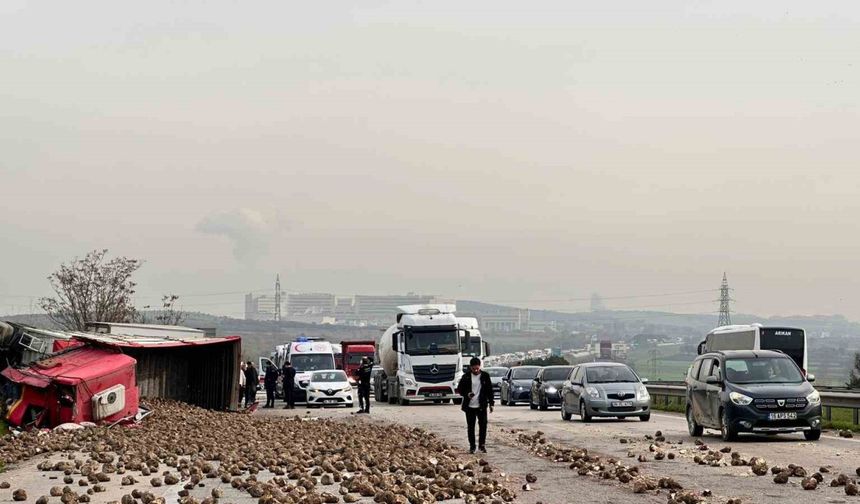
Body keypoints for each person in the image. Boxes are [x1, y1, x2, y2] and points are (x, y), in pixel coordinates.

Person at [456, 357, 494, 454]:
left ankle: (482, 445)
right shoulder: (466, 377)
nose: (476, 371)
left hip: (481, 405)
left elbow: (490, 390)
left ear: (479, 367)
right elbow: (460, 389)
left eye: (477, 368)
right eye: (474, 369)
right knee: (471, 427)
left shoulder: (485, 376)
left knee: (483, 426)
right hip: (469, 406)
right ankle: (472, 446)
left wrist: (491, 403)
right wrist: (467, 394)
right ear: (470, 367)